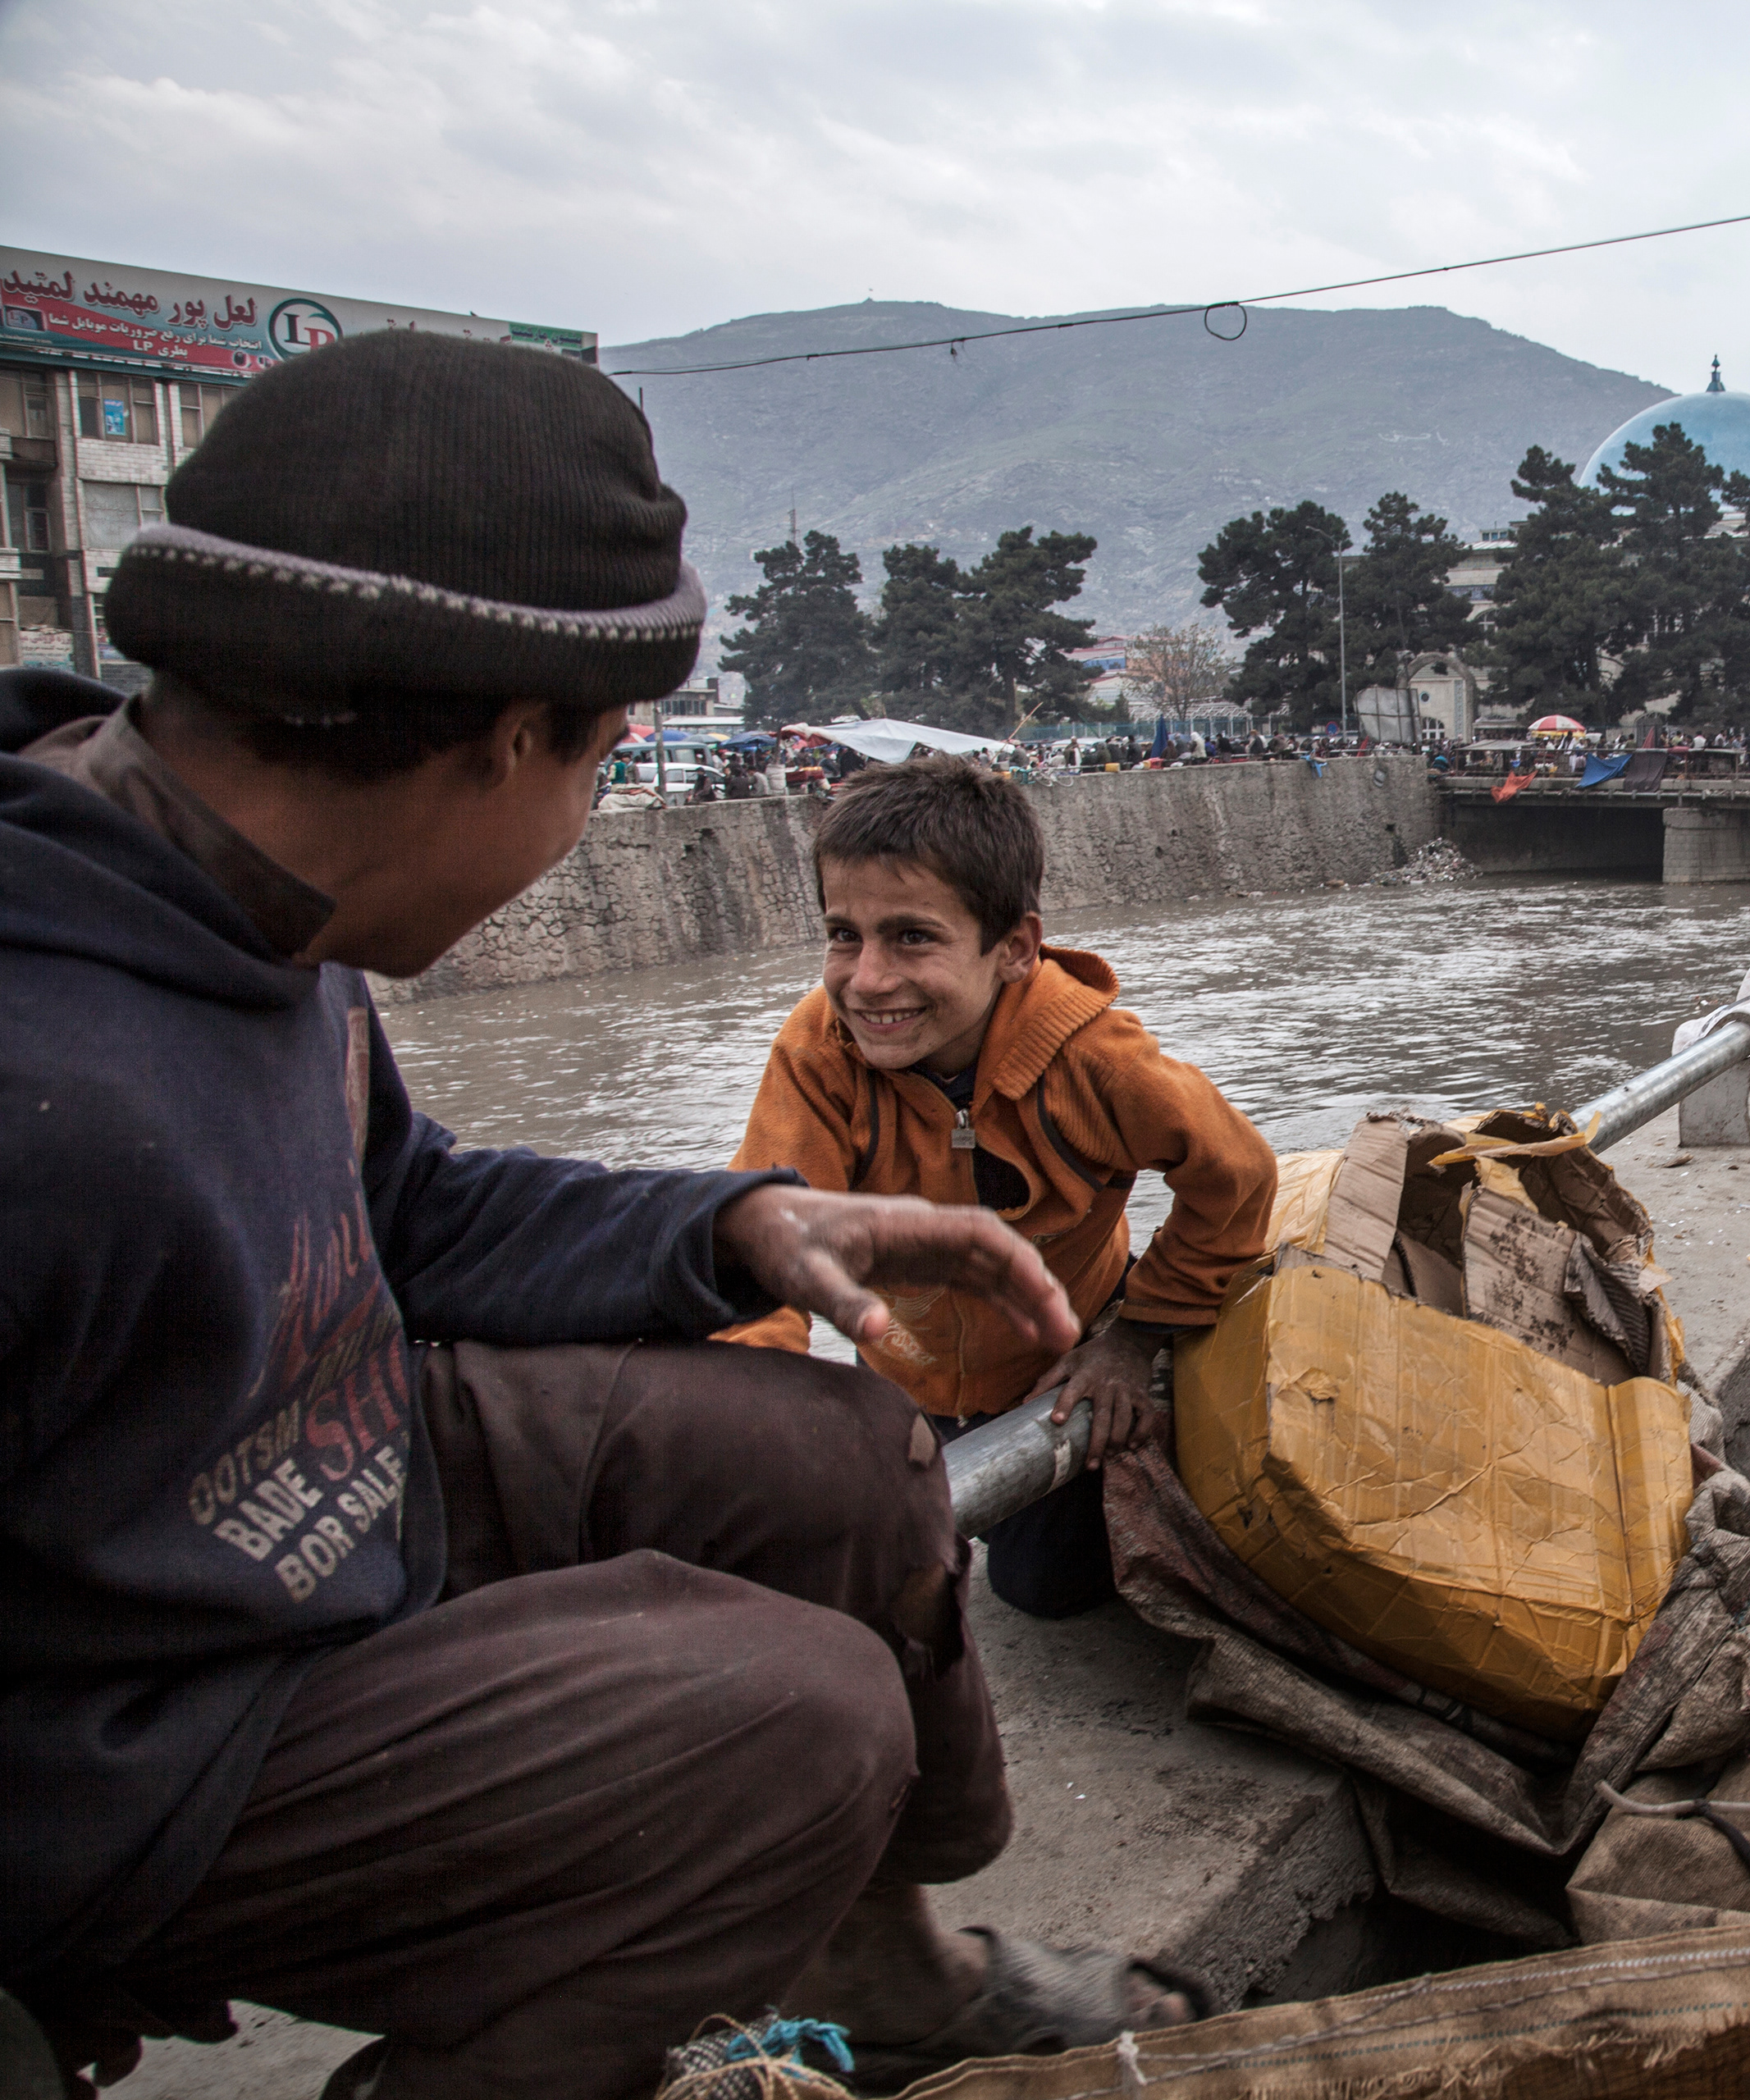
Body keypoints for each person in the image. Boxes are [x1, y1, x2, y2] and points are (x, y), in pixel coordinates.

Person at [1, 331, 1197, 2100]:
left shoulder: (245, 906)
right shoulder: (53, 1092)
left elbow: (397, 1207)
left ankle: (882, 1960)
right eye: (598, 761)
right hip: (156, 1716)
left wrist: (735, 1229)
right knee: (795, 1725)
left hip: (336, 1467)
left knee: (848, 1457)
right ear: (502, 743)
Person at [721, 755, 1277, 1618]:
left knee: (1043, 1587)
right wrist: (750, 1428)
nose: (866, 981)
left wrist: (1137, 1337)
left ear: (1014, 948)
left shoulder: (1094, 1060)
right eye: (843, 934)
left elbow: (1237, 1177)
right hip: (911, 1375)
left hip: (1065, 1358)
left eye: (912, 936)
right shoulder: (819, 1055)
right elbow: (765, 1240)